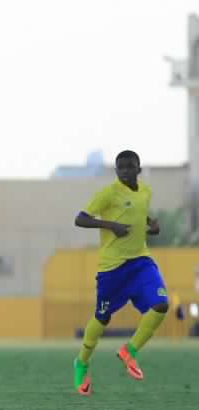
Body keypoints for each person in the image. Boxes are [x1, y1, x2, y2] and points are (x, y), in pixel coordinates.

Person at [73, 150, 169, 396]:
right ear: (116, 171)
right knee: (102, 318)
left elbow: (138, 209)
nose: (125, 171)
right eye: (121, 168)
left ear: (138, 169)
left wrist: (151, 223)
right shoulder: (109, 193)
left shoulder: (145, 191)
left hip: (140, 262)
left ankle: (130, 351)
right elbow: (80, 219)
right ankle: (81, 363)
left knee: (160, 305)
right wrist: (110, 226)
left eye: (130, 167)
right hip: (112, 268)